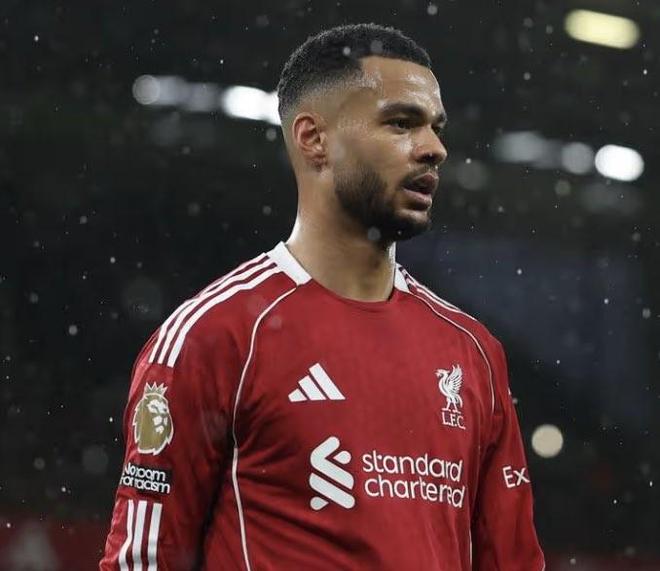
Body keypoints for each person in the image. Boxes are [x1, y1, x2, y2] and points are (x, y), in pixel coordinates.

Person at [100, 22, 545, 570]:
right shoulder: (215, 337)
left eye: (436, 127)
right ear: (313, 138)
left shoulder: (473, 353)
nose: (434, 149)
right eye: (401, 123)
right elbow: (143, 561)